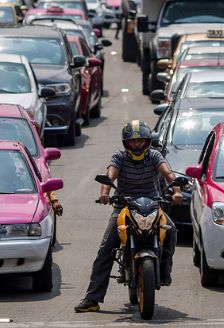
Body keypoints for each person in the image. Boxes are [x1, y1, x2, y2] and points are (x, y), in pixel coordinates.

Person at [75, 121, 182, 313]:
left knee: (172, 231)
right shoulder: (120, 156)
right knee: (106, 248)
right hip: (123, 207)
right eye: (132, 142)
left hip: (152, 205)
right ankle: (92, 299)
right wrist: (105, 192)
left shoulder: (155, 156)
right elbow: (110, 175)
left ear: (147, 141)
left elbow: (169, 174)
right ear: (126, 143)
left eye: (140, 141)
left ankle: (165, 271)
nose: (137, 145)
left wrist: (176, 191)